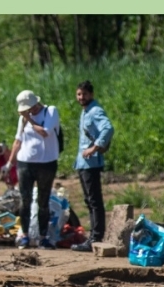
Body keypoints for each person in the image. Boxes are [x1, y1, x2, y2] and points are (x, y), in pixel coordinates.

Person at [5, 90, 62, 249]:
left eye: (31, 107)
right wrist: (9, 163)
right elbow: (18, 140)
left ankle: (43, 237)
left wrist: (29, 118)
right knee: (25, 200)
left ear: (37, 103)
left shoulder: (50, 111)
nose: (30, 110)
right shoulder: (22, 120)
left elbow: (45, 132)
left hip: (46, 163)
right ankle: (24, 234)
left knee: (43, 201)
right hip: (25, 163)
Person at [71, 80, 113, 252]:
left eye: (85, 94)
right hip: (83, 163)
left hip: (91, 163)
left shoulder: (95, 110)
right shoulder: (85, 111)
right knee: (89, 200)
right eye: (79, 94)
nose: (81, 97)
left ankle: (96, 237)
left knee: (94, 200)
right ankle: (94, 236)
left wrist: (95, 147)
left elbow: (108, 128)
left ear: (92, 95)